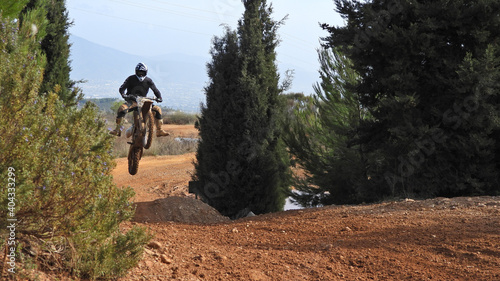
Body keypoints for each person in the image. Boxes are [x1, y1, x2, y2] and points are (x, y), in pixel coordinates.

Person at [109, 62, 169, 137]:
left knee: (157, 109)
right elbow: (122, 88)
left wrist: (159, 97)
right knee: (122, 109)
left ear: (146, 72)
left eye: (142, 72)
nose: (141, 74)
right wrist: (124, 95)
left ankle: (159, 130)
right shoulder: (130, 78)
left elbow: (155, 90)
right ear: (136, 72)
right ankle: (117, 130)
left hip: (144, 101)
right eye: (139, 72)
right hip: (132, 101)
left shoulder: (148, 80)